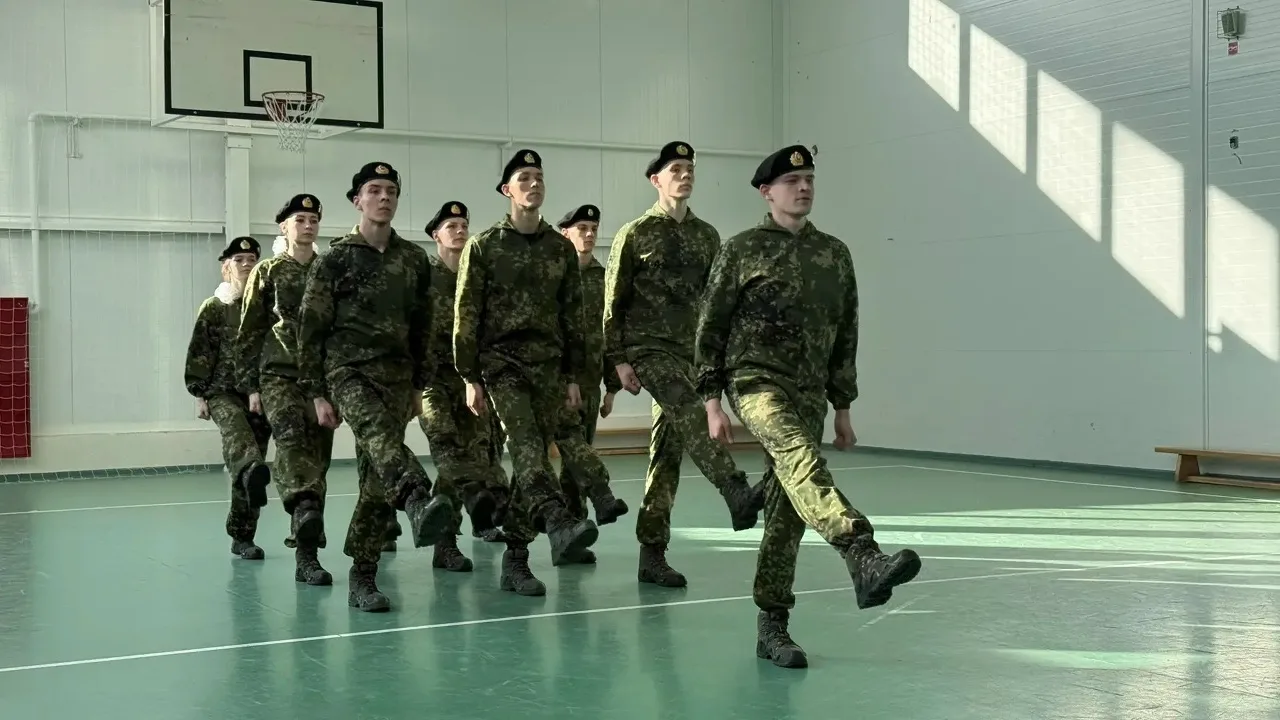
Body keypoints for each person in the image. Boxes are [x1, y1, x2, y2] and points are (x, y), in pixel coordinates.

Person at [694, 144, 923, 669]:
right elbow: (711, 326)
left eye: (809, 179)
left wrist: (843, 405)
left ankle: (772, 626)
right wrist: (711, 401)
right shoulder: (741, 249)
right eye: (792, 181)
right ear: (766, 192)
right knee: (800, 458)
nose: (803, 187)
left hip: (810, 392)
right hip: (754, 382)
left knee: (786, 510)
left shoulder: (834, 253)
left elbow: (846, 332)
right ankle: (860, 551)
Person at [602, 140, 763, 588]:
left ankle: (652, 555)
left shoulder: (706, 236)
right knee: (691, 409)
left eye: (690, 168)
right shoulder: (634, 233)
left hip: (689, 354)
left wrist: (717, 362)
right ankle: (734, 488)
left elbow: (717, 305)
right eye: (676, 169)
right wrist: (617, 362)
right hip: (648, 350)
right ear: (656, 180)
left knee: (666, 453)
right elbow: (612, 304)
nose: (685, 174)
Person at [296, 161, 454, 613]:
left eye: (391, 191)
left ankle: (362, 575)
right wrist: (316, 392)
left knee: (377, 478)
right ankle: (419, 498)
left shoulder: (413, 260)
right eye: (374, 190)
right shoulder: (336, 259)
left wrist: (419, 385)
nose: (384, 197)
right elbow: (311, 328)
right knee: (385, 445)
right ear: (357, 201)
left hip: (397, 378)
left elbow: (425, 326)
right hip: (349, 373)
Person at [454, 148, 604, 596]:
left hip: (550, 368)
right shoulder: (484, 246)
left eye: (539, 176)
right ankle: (558, 519)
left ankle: (515, 560)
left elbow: (572, 314)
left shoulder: (560, 248)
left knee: (529, 461)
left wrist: (573, 374)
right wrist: (469, 377)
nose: (534, 183)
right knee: (524, 445)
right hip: (502, 365)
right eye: (524, 177)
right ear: (507, 190)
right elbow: (466, 314)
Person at [235, 193, 335, 586]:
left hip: (322, 380)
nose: (308, 226)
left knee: (318, 459)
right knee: (292, 443)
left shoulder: (329, 271)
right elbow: (250, 330)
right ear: (284, 227)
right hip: (279, 374)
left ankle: (307, 547)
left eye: (313, 220)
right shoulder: (269, 271)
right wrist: (251, 387)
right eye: (300, 220)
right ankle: (305, 538)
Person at [410, 199, 513, 569]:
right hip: (432, 380)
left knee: (476, 454)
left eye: (463, 225)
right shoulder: (424, 276)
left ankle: (463, 532)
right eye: (450, 226)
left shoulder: (477, 276)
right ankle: (446, 541)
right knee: (448, 447)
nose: (459, 231)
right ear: (436, 236)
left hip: (470, 381)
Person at [183, 236, 272, 561]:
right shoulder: (215, 307)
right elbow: (200, 351)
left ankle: (242, 536)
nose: (246, 264)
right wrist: (199, 393)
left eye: (252, 259)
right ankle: (251, 473)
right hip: (222, 392)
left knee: (250, 468)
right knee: (242, 446)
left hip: (260, 393)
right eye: (239, 260)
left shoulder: (267, 308)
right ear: (226, 268)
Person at [551, 203, 627, 566]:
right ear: (565, 232)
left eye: (594, 229)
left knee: (575, 463)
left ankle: (575, 532)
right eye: (582, 228)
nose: (589, 234)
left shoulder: (603, 277)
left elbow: (610, 332)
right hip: (557, 381)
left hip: (591, 382)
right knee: (573, 450)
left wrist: (611, 388)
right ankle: (570, 521)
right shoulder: (553, 274)